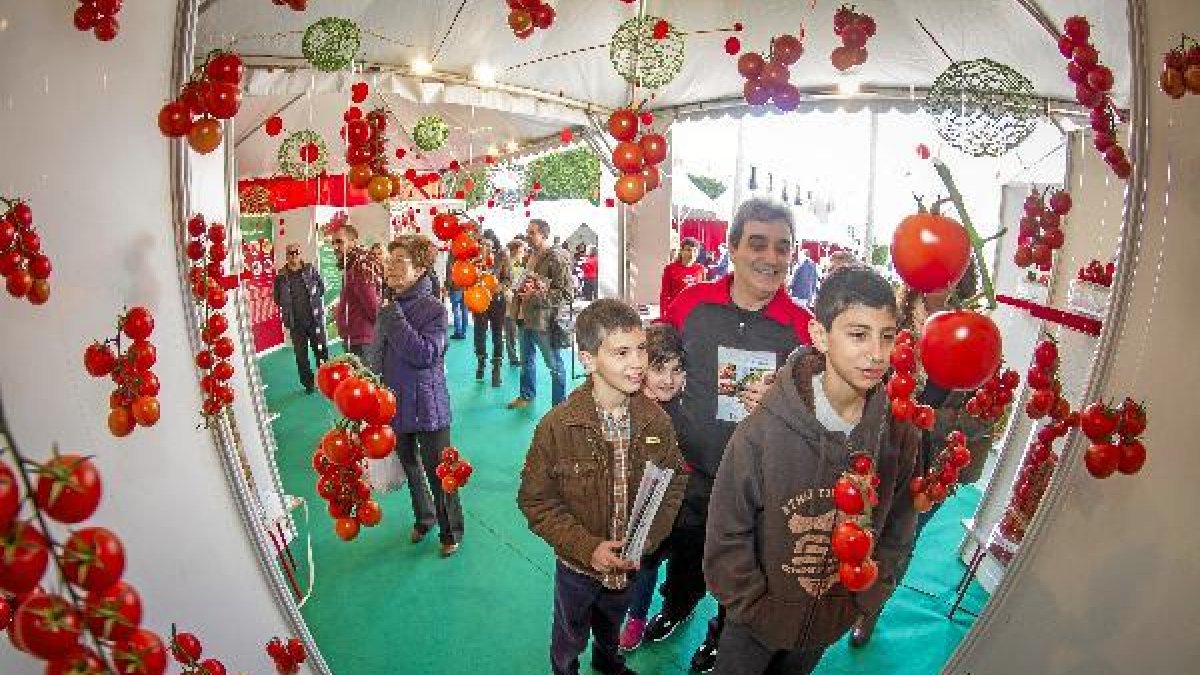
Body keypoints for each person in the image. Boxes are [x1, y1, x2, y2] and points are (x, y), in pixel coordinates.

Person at [704, 266, 921, 674]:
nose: (877, 353)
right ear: (820, 335)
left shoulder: (899, 436)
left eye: (887, 335)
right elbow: (727, 529)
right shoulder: (763, 431)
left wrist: (863, 598)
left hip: (829, 620)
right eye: (858, 334)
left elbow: (900, 526)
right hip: (754, 621)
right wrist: (751, 606)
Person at [648, 198, 813, 673]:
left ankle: (721, 637)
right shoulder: (692, 304)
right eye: (757, 243)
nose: (770, 257)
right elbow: (653, 363)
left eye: (783, 247)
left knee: (741, 571)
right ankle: (676, 608)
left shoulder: (802, 327)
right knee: (684, 556)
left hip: (758, 488)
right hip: (687, 472)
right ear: (732, 248)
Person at [517, 298, 688, 675]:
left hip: (628, 565)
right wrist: (585, 547)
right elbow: (536, 501)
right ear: (589, 359)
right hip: (577, 566)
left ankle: (608, 662)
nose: (638, 363)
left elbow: (674, 481)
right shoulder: (557, 427)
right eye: (622, 352)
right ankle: (566, 669)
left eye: (641, 348)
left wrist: (646, 541)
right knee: (569, 633)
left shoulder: (656, 422)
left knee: (611, 626)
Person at [849, 263, 992, 647]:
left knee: (901, 537)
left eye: (951, 266)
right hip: (878, 446)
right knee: (859, 522)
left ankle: (870, 610)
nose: (940, 279)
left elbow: (982, 418)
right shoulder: (889, 316)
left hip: (930, 462)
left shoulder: (975, 332)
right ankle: (840, 597)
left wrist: (923, 418)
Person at [368, 235, 463, 558]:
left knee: (441, 472)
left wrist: (393, 316)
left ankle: (451, 530)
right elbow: (377, 352)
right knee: (409, 464)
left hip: (428, 404)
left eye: (399, 261)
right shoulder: (388, 304)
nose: (390, 268)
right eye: (389, 260)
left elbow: (425, 354)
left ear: (420, 268)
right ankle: (425, 518)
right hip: (393, 403)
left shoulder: (433, 308)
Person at [618, 324, 687, 652]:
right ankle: (636, 616)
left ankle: (675, 604)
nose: (669, 379)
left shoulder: (686, 406)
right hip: (642, 503)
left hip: (681, 505)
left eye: (677, 370)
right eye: (659, 369)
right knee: (643, 564)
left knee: (679, 559)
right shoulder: (629, 405)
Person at [508, 218, 575, 409]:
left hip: (543, 322)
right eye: (527, 232)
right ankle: (526, 395)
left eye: (532, 233)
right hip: (524, 318)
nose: (527, 236)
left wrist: (537, 294)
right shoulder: (530, 255)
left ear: (544, 235)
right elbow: (525, 281)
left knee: (554, 365)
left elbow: (566, 293)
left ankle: (559, 407)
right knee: (526, 361)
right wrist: (518, 288)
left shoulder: (557, 258)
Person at [272, 243, 329, 394]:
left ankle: (327, 380)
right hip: (295, 324)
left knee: (321, 351)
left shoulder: (310, 269)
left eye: (296, 252)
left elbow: (321, 288)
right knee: (301, 357)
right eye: (290, 253)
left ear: (300, 253)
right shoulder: (281, 277)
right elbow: (277, 299)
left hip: (314, 320)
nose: (294, 255)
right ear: (287, 255)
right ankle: (309, 384)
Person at [330, 223, 381, 359]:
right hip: (356, 337)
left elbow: (373, 307)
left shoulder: (359, 267)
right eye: (333, 243)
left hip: (362, 341)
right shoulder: (352, 264)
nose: (335, 247)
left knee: (365, 379)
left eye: (340, 242)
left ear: (353, 242)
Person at [473, 232, 512, 387]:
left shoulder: (502, 257)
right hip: (479, 302)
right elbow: (466, 278)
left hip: (497, 301)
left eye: (488, 244)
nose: (485, 247)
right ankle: (481, 361)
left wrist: (499, 287)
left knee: (497, 334)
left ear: (494, 245)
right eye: (483, 244)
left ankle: (496, 369)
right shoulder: (474, 258)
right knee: (479, 334)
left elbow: (508, 280)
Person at [659, 237, 706, 315]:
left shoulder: (701, 269)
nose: (692, 254)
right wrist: (663, 315)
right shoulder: (670, 269)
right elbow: (664, 294)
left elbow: (703, 293)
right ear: (681, 251)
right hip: (676, 311)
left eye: (695, 251)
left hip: (694, 313)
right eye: (688, 250)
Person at [504, 238, 528, 368]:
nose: (523, 252)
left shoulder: (521, 265)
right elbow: (505, 286)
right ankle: (513, 357)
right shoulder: (507, 266)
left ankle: (517, 355)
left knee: (519, 332)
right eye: (521, 250)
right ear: (515, 251)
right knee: (511, 333)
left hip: (521, 303)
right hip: (511, 304)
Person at [444, 252, 469, 340]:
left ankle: (458, 332)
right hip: (465, 287)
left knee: (456, 310)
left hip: (455, 287)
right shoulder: (466, 256)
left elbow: (450, 272)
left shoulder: (452, 256)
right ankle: (464, 331)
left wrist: (447, 286)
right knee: (464, 309)